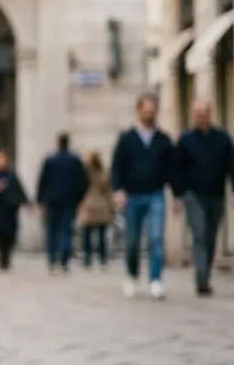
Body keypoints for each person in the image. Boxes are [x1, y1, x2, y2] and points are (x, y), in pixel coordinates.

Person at [110, 93, 176, 300]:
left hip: (156, 194)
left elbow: (172, 169)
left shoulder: (163, 140)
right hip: (133, 196)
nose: (149, 112)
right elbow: (116, 167)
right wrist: (118, 190)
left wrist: (178, 195)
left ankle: (156, 279)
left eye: (152, 109)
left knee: (156, 238)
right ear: (139, 110)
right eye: (146, 109)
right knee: (132, 240)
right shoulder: (127, 139)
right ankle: (131, 276)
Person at [173, 100, 234, 297]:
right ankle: (202, 277)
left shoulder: (222, 139)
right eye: (197, 113)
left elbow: (231, 166)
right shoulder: (186, 139)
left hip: (216, 194)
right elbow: (178, 169)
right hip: (193, 194)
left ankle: (204, 271)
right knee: (199, 234)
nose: (201, 117)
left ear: (210, 114)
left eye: (204, 113)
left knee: (210, 236)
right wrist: (178, 195)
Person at [36, 132, 89, 273]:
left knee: (52, 230)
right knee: (66, 229)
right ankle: (64, 259)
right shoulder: (75, 161)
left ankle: (52, 259)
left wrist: (40, 199)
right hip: (69, 200)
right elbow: (83, 182)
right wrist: (78, 198)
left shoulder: (50, 160)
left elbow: (43, 181)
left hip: (52, 199)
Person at [0, 149, 29, 271]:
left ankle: (7, 256)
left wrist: (25, 202)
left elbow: (19, 190)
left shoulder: (11, 176)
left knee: (10, 234)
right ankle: (1, 258)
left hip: (10, 210)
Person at [77, 150, 114, 269]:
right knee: (101, 234)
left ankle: (87, 258)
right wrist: (111, 207)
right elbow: (108, 191)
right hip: (102, 206)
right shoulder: (104, 174)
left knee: (87, 233)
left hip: (88, 204)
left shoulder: (85, 174)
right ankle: (102, 258)